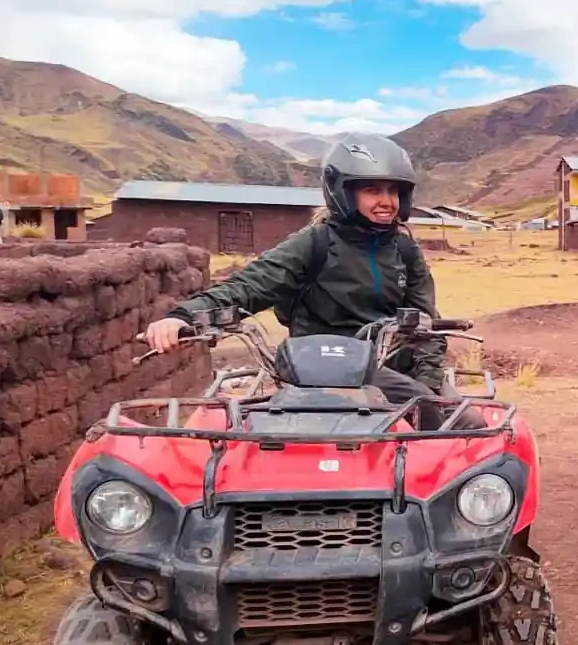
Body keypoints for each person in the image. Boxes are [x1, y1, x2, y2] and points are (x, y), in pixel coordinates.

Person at [143, 134, 476, 430]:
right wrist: (184, 316)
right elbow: (250, 284)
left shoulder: (404, 249)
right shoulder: (314, 243)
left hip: (393, 368)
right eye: (372, 190)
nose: (386, 201)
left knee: (465, 426)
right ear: (343, 192)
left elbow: (425, 322)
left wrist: (428, 382)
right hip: (321, 370)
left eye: (393, 190)